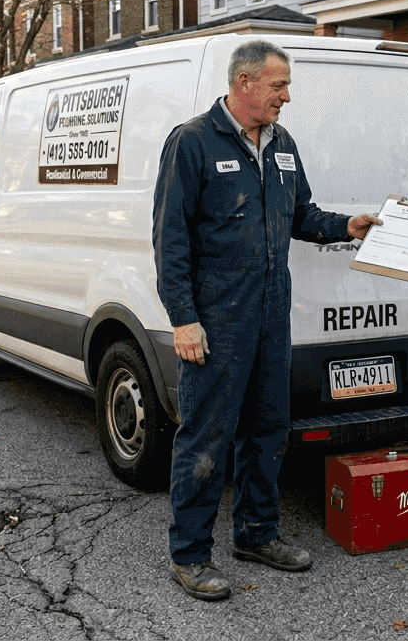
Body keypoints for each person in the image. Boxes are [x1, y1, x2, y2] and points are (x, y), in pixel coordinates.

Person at [152, 39, 380, 601]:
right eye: (279, 85)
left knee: (267, 431)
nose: (286, 96)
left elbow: (300, 213)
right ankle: (190, 554)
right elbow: (170, 240)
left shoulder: (282, 145)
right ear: (245, 82)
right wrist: (184, 319)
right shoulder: (192, 142)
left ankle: (257, 534)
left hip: (271, 317)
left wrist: (344, 225)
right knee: (206, 437)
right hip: (217, 321)